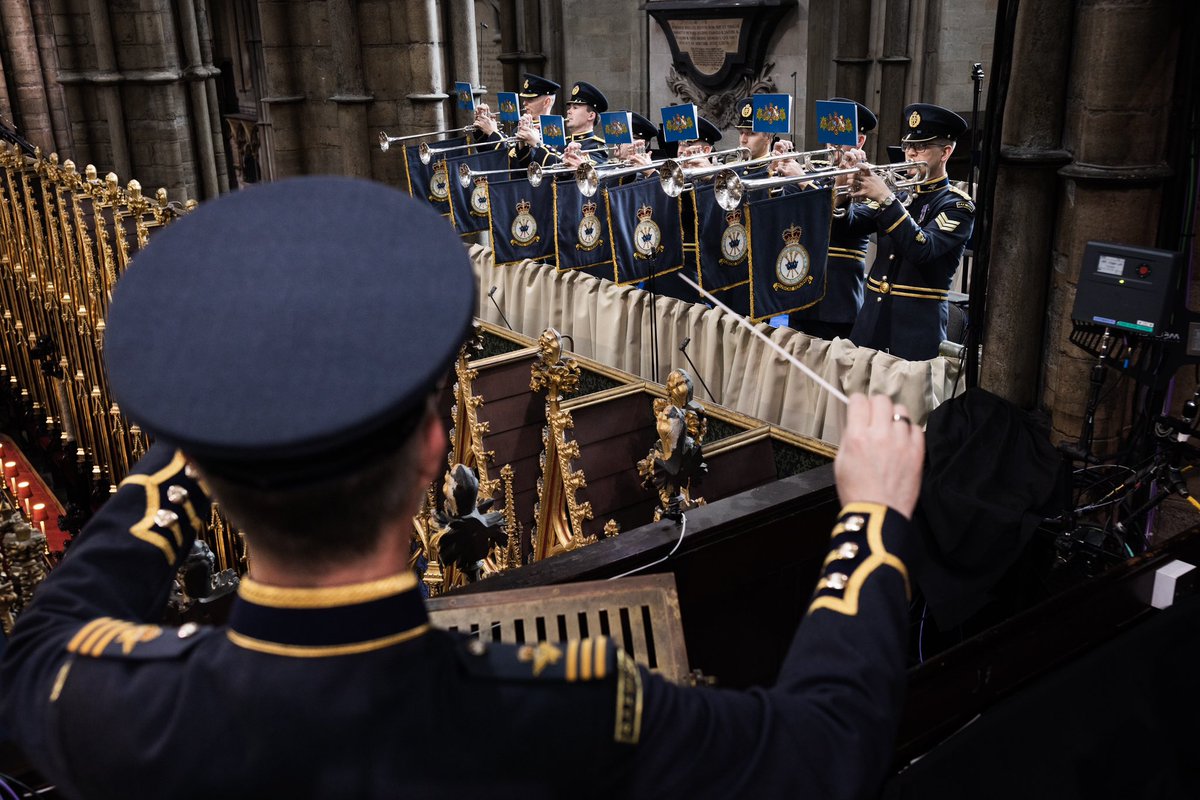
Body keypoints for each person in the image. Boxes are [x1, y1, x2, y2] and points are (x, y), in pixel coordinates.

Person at [0, 176, 924, 799]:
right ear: (438, 448)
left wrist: (200, 445)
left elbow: (37, 643)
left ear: (209, 475)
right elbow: (824, 748)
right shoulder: (561, 707)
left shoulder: (116, 708)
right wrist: (872, 521)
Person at [846, 102, 975, 360]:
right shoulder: (898, 194)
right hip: (869, 328)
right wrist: (841, 193)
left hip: (915, 336)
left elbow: (922, 249)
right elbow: (850, 228)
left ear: (945, 152)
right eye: (908, 147)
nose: (911, 154)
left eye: (921, 147)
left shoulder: (958, 205)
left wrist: (886, 199)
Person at [791, 97, 879, 340]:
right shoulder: (813, 171)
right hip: (799, 289)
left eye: (840, 139)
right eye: (830, 137)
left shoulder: (872, 181)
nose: (832, 146)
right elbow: (792, 216)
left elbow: (842, 225)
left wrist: (804, 183)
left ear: (860, 140)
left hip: (838, 301)